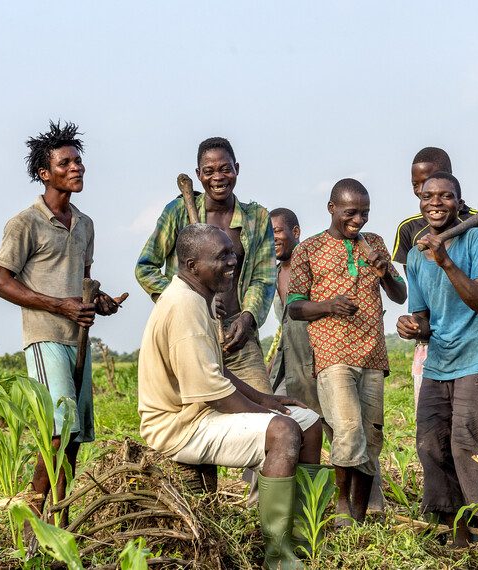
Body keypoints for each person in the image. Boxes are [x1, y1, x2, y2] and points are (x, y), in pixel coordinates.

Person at [138, 224, 321, 570]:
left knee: (309, 424)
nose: (233, 261)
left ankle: (302, 533)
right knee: (283, 432)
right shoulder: (184, 308)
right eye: (221, 256)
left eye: (232, 253)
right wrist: (271, 418)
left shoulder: (199, 298)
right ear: (192, 265)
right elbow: (213, 393)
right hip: (179, 426)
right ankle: (278, 555)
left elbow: (218, 371)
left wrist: (266, 401)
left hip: (200, 412)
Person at [0, 121, 128, 521]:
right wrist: (59, 306)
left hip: (78, 339)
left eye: (78, 161)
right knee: (59, 427)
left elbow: (80, 283)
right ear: (44, 173)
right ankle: (34, 514)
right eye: (65, 162)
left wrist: (97, 302)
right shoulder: (25, 223)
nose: (76, 168)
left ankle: (60, 518)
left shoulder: (85, 224)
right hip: (45, 336)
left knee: (73, 438)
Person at [395, 172, 478, 546]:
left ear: (459, 203)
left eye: (445, 197)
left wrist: (445, 262)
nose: (436, 203)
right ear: (420, 202)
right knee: (431, 444)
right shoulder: (414, 254)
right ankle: (458, 537)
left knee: (469, 445)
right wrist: (412, 326)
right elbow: (425, 317)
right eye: (429, 197)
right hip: (439, 363)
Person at [287, 179, 407, 523]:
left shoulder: (375, 244)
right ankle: (342, 507)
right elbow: (295, 306)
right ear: (332, 209)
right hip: (332, 353)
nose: (359, 220)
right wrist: (327, 306)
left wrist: (384, 271)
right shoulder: (308, 249)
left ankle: (361, 509)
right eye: (351, 212)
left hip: (373, 354)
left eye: (365, 212)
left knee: (371, 436)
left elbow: (399, 296)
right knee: (349, 428)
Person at [136, 137, 276, 392]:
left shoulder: (257, 218)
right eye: (209, 171)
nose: (218, 177)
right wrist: (192, 300)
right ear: (199, 175)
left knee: (266, 411)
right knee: (198, 413)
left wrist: (247, 319)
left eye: (225, 169)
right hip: (189, 330)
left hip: (237, 334)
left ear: (237, 169)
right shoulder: (178, 211)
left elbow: (263, 278)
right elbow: (146, 267)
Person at [391, 147, 476, 407]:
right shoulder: (410, 229)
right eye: (416, 185)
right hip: (431, 340)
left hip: (473, 338)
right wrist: (418, 325)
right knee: (430, 420)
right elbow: (418, 294)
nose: (421, 190)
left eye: (427, 181)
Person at [267, 208, 321, 430]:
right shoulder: (273, 275)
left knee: (331, 426)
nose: (272, 239)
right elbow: (284, 327)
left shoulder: (315, 266)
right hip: (287, 368)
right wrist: (270, 363)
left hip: (317, 364)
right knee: (275, 421)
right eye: (267, 234)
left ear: (296, 231)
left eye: (277, 231)